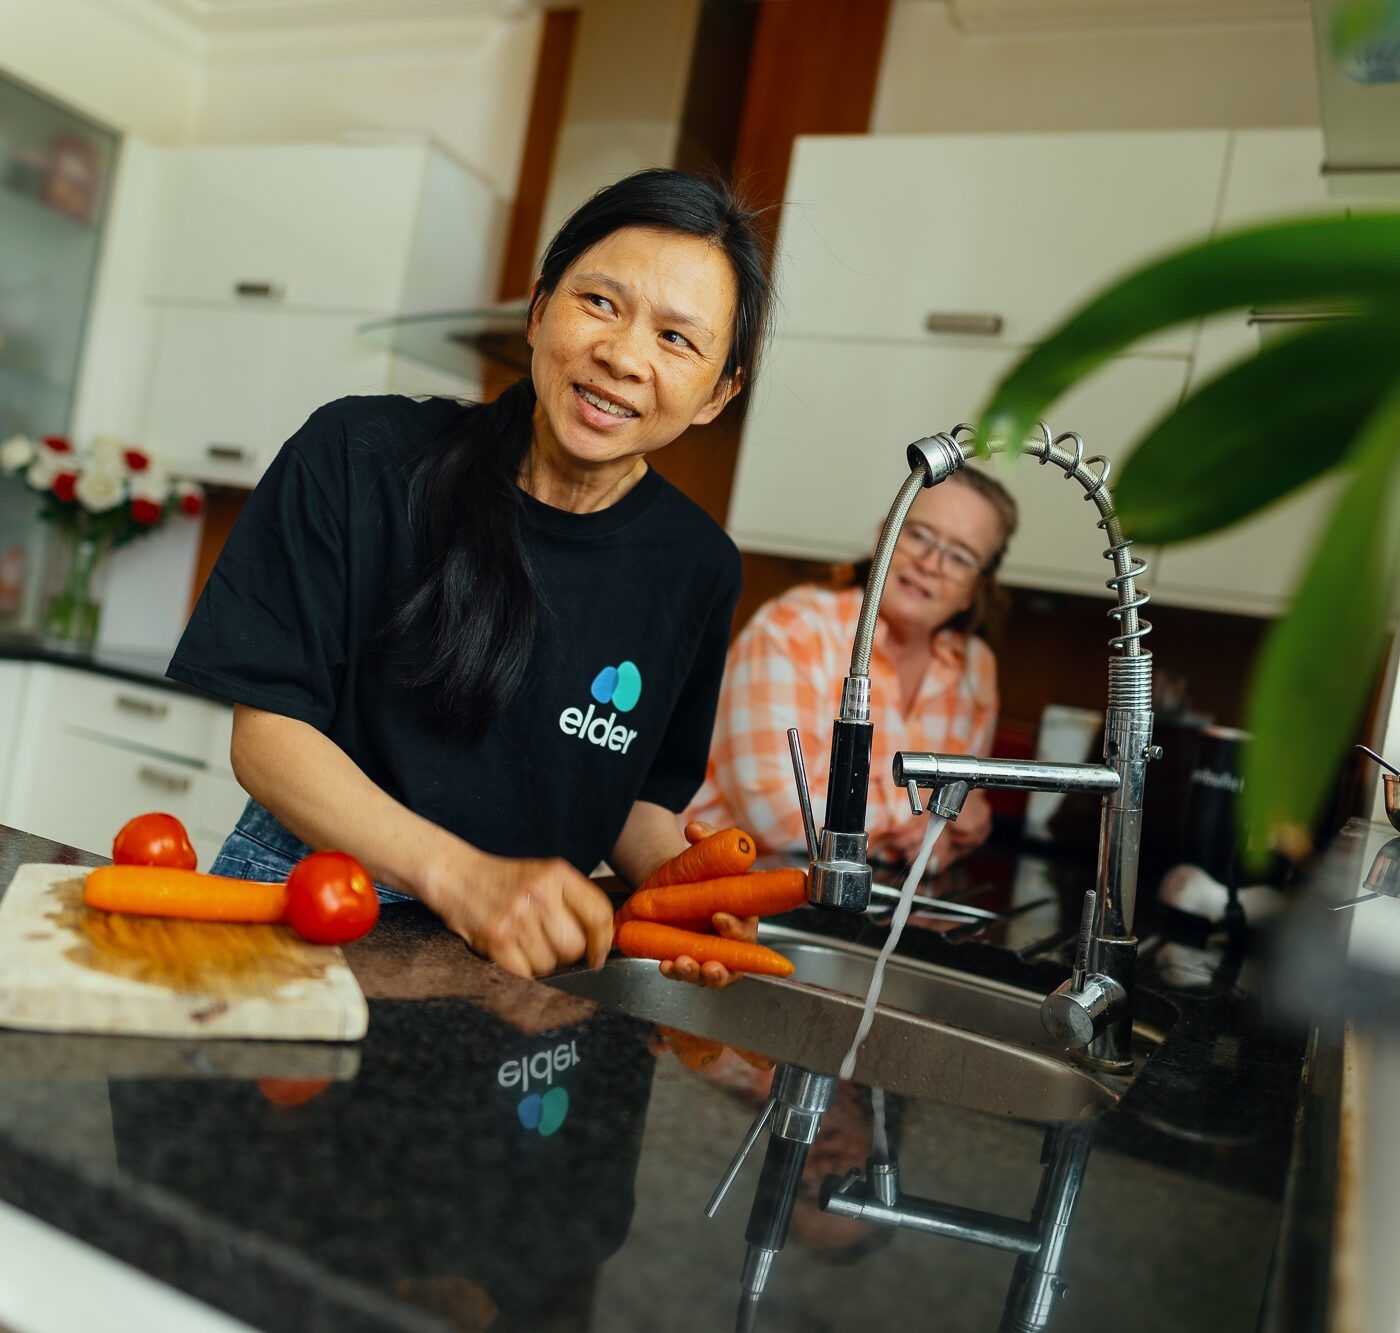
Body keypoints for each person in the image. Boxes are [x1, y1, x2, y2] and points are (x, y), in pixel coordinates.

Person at [167, 169, 771, 983]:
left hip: (525, 960)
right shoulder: (358, 457)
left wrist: (685, 895)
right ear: (538, 309)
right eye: (600, 303)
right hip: (311, 904)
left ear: (717, 393)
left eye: (676, 338)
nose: (622, 355)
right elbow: (269, 734)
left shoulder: (699, 568)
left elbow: (633, 799)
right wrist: (465, 879)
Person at [687, 468, 1017, 868]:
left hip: (860, 892)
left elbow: (949, 835)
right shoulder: (794, 626)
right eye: (918, 535)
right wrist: (935, 808)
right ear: (884, 538)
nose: (930, 563)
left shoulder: (976, 667)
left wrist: (951, 824)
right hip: (724, 882)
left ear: (975, 591)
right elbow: (779, 815)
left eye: (961, 557)